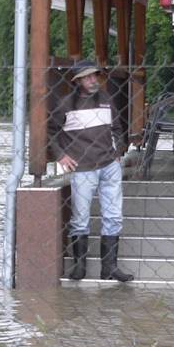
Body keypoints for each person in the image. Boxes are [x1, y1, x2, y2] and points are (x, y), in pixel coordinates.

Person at [49, 61, 134, 282]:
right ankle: (79, 267)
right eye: (87, 77)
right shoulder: (65, 104)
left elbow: (117, 127)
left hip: (109, 165)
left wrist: (118, 150)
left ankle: (110, 268)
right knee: (80, 218)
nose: (93, 80)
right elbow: (51, 132)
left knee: (114, 216)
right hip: (82, 168)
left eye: (95, 76)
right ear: (76, 81)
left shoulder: (107, 99)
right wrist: (61, 156)